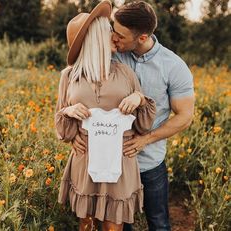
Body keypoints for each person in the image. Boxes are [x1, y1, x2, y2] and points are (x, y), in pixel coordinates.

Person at [74, 1, 195, 231]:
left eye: (120, 35)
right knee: (119, 225)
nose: (113, 38)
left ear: (142, 37)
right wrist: (73, 134)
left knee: (158, 223)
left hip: (150, 164)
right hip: (111, 166)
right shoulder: (111, 56)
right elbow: (80, 86)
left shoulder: (174, 67)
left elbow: (185, 116)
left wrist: (145, 140)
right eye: (113, 30)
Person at [55, 1, 156, 231]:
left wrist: (140, 100)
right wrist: (68, 112)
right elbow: (63, 130)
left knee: (113, 227)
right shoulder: (69, 76)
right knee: (86, 224)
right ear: (96, 37)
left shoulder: (126, 73)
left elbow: (144, 124)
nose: (113, 34)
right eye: (107, 30)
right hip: (86, 160)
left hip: (119, 162)